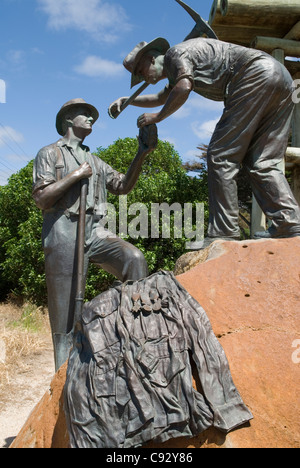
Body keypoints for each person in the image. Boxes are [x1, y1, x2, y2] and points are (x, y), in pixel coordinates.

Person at [110, 37, 300, 243]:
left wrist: (157, 117)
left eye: (140, 71)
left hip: (254, 75)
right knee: (262, 161)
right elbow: (161, 97)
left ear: (151, 58)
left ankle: (224, 231)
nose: (143, 78)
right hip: (281, 77)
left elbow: (183, 88)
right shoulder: (176, 68)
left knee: (220, 156)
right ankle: (289, 222)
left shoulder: (175, 54)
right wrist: (127, 102)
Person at [33, 98, 157, 370]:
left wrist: (142, 152)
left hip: (94, 229)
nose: (90, 118)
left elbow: (122, 185)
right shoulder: (50, 153)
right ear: (68, 120)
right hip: (63, 229)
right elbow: (42, 198)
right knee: (65, 317)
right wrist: (76, 175)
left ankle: (135, 341)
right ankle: (64, 378)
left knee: (134, 259)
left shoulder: (96, 161)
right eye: (84, 114)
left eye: (92, 115)